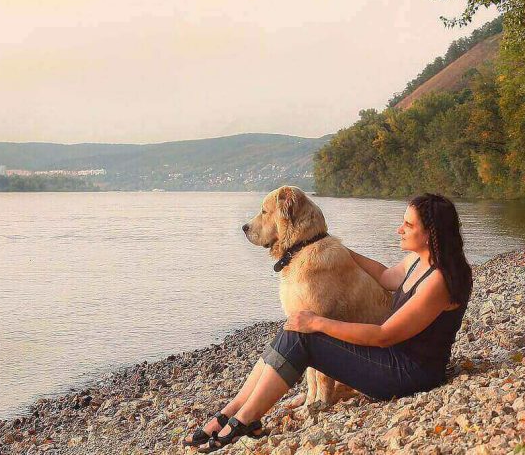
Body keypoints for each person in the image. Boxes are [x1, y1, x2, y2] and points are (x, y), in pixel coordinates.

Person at [182, 193, 474, 453]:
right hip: (394, 360)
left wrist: (318, 323)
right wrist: (327, 244)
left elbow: (384, 335)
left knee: (303, 333)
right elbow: (385, 276)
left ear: (431, 233)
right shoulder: (418, 261)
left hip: (408, 374)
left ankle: (244, 419)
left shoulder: (438, 281)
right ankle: (233, 411)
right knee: (295, 328)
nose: (400, 229)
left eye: (408, 225)